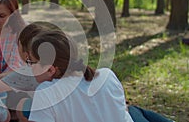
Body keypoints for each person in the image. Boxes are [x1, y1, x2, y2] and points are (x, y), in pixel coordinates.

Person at [14, 25, 173, 122]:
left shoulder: (46, 93)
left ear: (50, 69)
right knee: (134, 111)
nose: (29, 67)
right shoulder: (106, 75)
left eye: (31, 62)